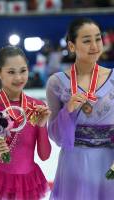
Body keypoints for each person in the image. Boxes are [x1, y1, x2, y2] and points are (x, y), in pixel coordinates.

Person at [46, 18, 114, 200]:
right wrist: (67, 111)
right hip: (74, 163)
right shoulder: (56, 82)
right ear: (72, 46)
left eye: (98, 39)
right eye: (86, 40)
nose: (94, 46)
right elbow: (55, 136)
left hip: (109, 162)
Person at [0, 45, 52, 200]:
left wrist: (42, 125)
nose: (18, 78)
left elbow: (44, 156)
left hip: (28, 183)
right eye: (11, 72)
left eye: (23, 70)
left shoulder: (36, 107)